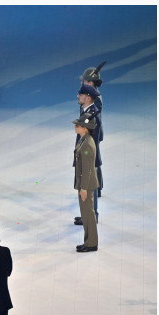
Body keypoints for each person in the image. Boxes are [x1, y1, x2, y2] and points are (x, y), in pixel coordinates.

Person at [73, 84, 102, 226]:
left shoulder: (92, 115)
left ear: (88, 97)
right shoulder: (86, 111)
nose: (78, 96)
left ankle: (92, 215)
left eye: (81, 94)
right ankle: (87, 215)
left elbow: (91, 141)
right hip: (83, 155)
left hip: (88, 157)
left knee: (89, 187)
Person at [73, 114, 99, 252]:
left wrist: (83, 188)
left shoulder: (87, 144)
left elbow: (88, 169)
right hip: (85, 183)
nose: (75, 127)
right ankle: (89, 241)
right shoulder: (84, 140)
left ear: (85, 128)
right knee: (86, 214)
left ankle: (91, 243)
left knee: (88, 215)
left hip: (86, 185)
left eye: (78, 125)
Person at [81, 66, 105, 198]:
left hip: (93, 134)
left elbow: (93, 118)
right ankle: (98, 187)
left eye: (87, 81)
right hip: (88, 133)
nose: (84, 83)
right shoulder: (89, 95)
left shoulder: (95, 98)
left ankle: (96, 188)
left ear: (92, 83)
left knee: (94, 160)